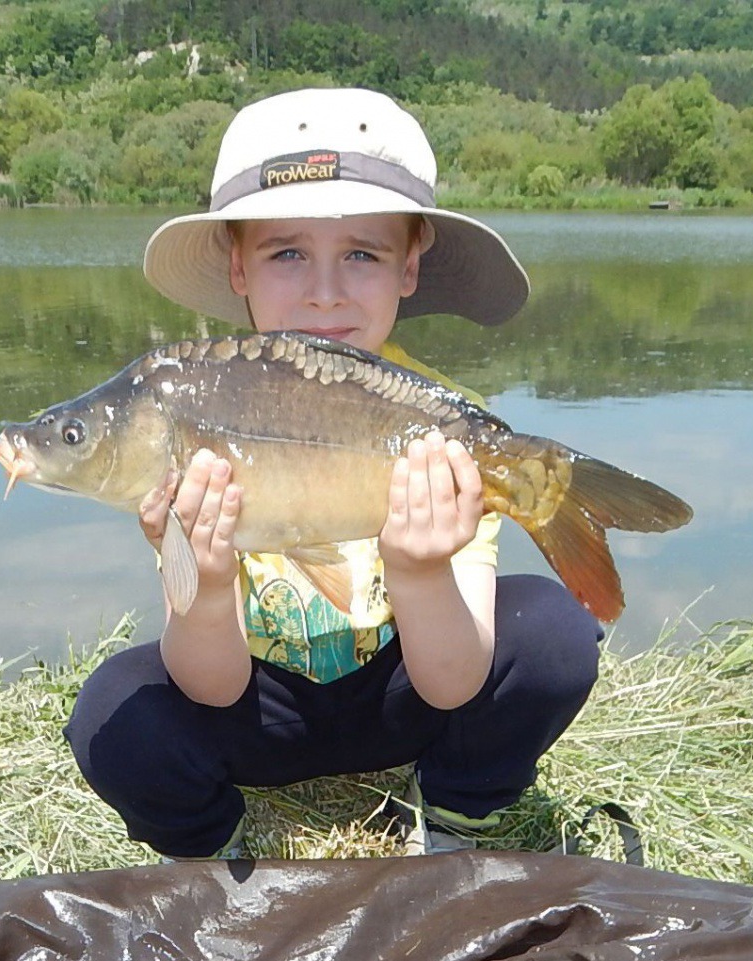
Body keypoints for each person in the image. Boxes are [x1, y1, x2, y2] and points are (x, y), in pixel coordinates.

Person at [63, 87, 603, 860]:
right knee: (113, 715)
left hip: (410, 687)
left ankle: (455, 806)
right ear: (238, 266)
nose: (324, 290)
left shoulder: (449, 426)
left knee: (552, 635)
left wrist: (417, 570)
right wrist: (206, 585)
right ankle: (215, 848)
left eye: (361, 253)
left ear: (409, 265)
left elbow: (454, 681)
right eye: (287, 252)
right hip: (259, 707)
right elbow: (210, 684)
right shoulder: (188, 410)